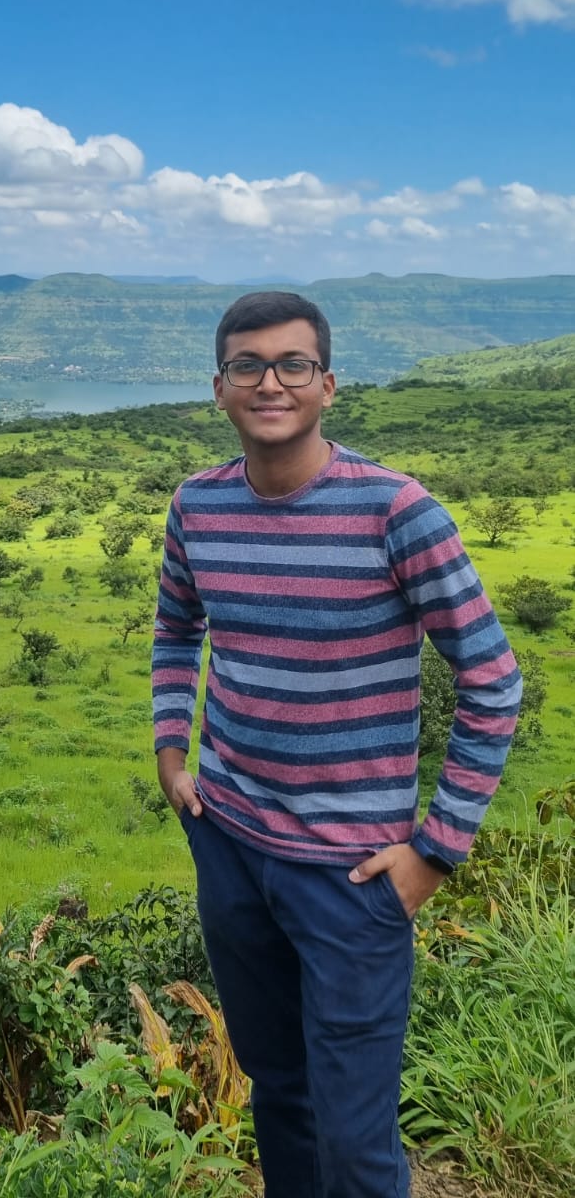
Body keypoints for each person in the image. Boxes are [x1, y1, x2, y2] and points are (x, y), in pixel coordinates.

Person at [152, 291, 521, 1198]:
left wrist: (436, 851)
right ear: (219, 387)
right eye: (248, 365)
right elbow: (177, 628)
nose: (269, 383)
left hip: (352, 876)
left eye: (293, 364)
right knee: (278, 1093)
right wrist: (171, 751)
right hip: (231, 845)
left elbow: (492, 679)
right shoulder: (198, 505)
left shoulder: (398, 511)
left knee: (355, 1137)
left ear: (327, 385)